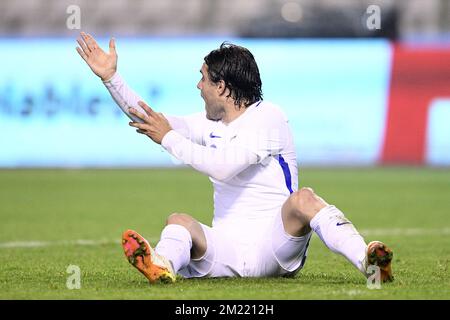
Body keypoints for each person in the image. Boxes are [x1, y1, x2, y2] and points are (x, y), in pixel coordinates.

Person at [76, 32, 393, 284]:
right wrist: (111, 79)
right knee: (178, 221)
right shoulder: (209, 124)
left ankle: (368, 262)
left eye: (203, 78)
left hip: (276, 245)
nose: (198, 86)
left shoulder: (269, 117)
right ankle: (161, 265)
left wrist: (168, 138)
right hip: (226, 248)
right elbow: (149, 118)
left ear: (222, 87)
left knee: (303, 200)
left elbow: (223, 168)